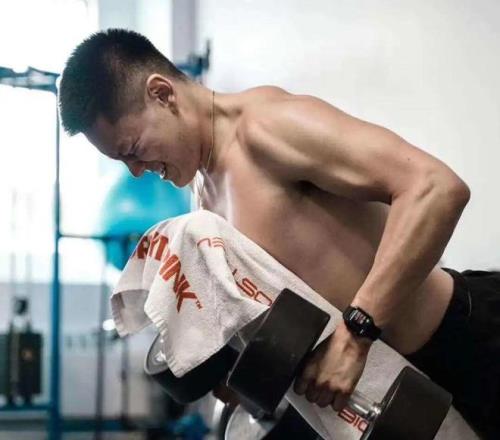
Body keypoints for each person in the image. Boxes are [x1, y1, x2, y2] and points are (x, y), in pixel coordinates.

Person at [59, 29, 498, 438]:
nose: (136, 172)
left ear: (162, 93)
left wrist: (354, 335)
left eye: (133, 150)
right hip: (384, 392)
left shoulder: (268, 128)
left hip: (468, 343)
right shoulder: (204, 202)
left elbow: (435, 189)